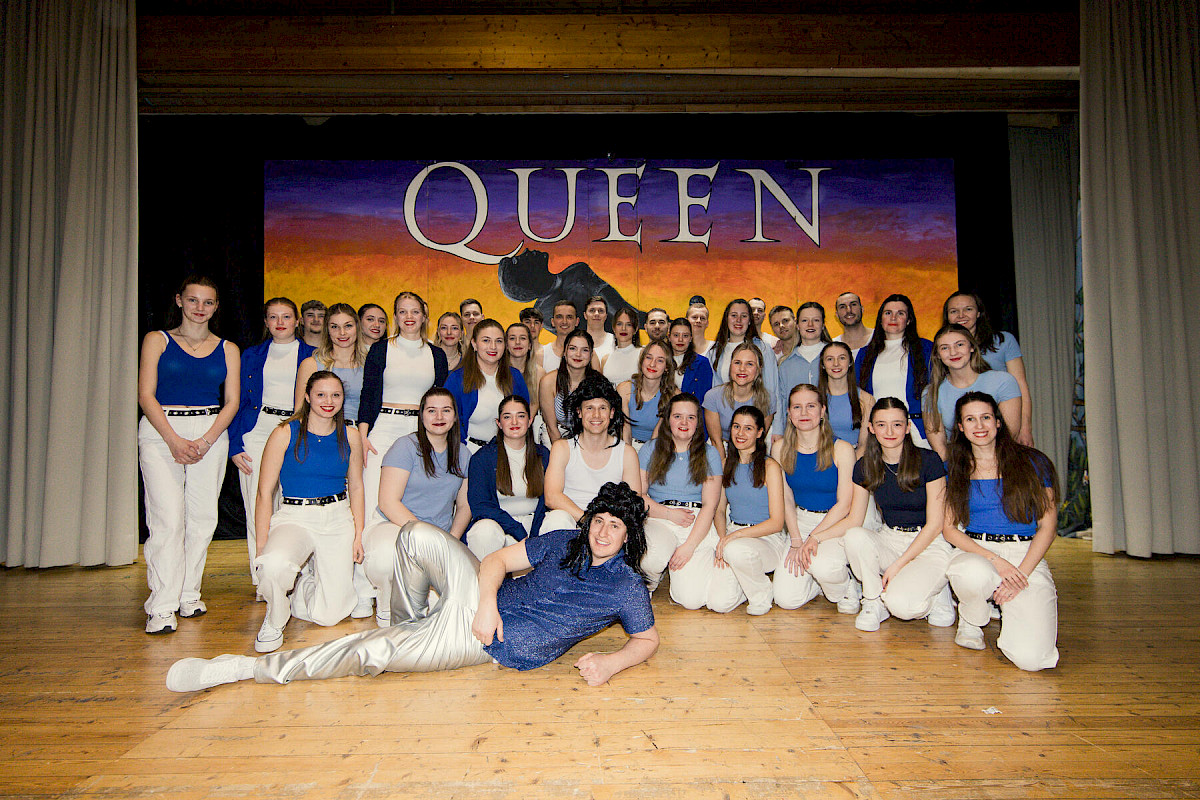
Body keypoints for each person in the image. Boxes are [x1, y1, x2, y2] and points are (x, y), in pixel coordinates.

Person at [166, 482, 659, 692]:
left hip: (490, 642)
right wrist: (486, 603)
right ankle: (412, 628)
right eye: (600, 520)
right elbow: (494, 560)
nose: (603, 532)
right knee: (416, 533)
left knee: (369, 651)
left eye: (615, 526)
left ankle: (245, 670)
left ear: (628, 536)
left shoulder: (626, 586)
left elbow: (648, 638)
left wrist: (611, 664)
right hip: (480, 606)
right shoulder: (564, 540)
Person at [138, 276, 240, 634]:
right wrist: (173, 440)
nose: (200, 308)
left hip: (209, 432)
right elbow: (146, 395)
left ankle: (188, 594)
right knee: (167, 519)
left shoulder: (228, 348)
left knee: (202, 518)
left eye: (208, 302)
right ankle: (161, 606)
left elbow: (232, 402)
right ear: (179, 300)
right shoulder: (157, 340)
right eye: (193, 300)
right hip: (161, 431)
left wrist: (207, 440)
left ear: (216, 307)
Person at [942, 392, 1060, 671]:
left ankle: (1007, 610)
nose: (979, 425)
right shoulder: (953, 468)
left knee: (1032, 659)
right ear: (960, 427)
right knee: (970, 574)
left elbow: (1048, 526)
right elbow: (949, 529)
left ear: (997, 422)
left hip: (1025, 554)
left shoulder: (1033, 462)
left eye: (985, 417)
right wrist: (995, 560)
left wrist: (1020, 576)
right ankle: (972, 617)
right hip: (978, 550)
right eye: (970, 419)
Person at [251, 371, 365, 653]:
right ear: (307, 397)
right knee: (272, 566)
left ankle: (304, 585)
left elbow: (357, 487)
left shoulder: (350, 435)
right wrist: (262, 545)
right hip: (295, 516)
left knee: (330, 615)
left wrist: (358, 534)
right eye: (321, 394)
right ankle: (275, 618)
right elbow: (264, 493)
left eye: (336, 395)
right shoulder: (284, 433)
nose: (328, 401)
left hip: (337, 517)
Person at [842, 398, 955, 632]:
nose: (890, 432)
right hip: (891, 538)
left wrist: (897, 565)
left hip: (930, 543)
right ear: (871, 428)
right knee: (854, 536)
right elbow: (854, 519)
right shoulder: (864, 466)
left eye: (897, 424)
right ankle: (872, 600)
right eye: (881, 425)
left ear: (908, 427)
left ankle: (937, 592)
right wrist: (813, 538)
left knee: (902, 607)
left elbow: (935, 524)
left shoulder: (929, 461)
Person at [362, 387, 471, 627]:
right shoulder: (405, 446)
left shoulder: (463, 454)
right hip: (394, 526)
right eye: (431, 411)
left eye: (446, 411)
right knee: (384, 559)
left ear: (455, 417)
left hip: (439, 535)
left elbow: (464, 506)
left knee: (446, 612)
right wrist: (425, 537)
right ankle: (386, 604)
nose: (439, 417)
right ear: (421, 416)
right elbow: (388, 502)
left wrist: (451, 542)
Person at [228, 297, 315, 588]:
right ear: (265, 322)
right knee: (258, 505)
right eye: (273, 317)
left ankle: (298, 577)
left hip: (296, 430)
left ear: (297, 321)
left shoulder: (313, 355)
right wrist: (235, 445)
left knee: (295, 505)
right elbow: (238, 401)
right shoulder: (251, 355)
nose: (280, 322)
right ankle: (263, 578)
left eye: (286, 316)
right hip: (257, 430)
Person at [357, 291, 449, 545]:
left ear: (424, 316)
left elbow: (441, 400)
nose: (409, 317)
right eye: (403, 311)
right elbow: (368, 394)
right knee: (374, 498)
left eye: (415, 311)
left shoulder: (437, 355)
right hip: (384, 427)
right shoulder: (380, 349)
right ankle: (366, 562)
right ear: (395, 317)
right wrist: (363, 435)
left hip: (422, 431)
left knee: (416, 499)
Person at [770, 385, 860, 612]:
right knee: (786, 600)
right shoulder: (780, 449)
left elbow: (845, 504)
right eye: (797, 407)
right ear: (789, 413)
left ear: (822, 411)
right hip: (800, 521)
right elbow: (786, 499)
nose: (804, 413)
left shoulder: (842, 449)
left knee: (822, 566)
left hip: (835, 524)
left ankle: (846, 585)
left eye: (811, 406)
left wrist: (814, 537)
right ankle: (818, 584)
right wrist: (796, 540)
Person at [639, 393, 723, 606]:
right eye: (677, 416)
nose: (684, 422)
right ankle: (649, 582)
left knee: (691, 600)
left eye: (690, 417)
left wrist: (689, 546)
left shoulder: (710, 454)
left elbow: (710, 505)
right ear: (668, 419)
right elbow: (638, 496)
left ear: (698, 422)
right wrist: (668, 514)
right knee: (652, 558)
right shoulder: (650, 449)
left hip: (696, 522)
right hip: (658, 516)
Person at [708, 406, 786, 615]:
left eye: (748, 428)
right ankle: (746, 584)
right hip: (734, 536)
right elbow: (719, 510)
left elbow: (777, 522)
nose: (740, 433)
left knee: (736, 550)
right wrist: (723, 539)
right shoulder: (725, 464)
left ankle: (762, 595)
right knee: (718, 604)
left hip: (767, 539)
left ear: (760, 433)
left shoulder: (770, 467)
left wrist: (734, 538)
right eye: (736, 427)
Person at [543, 375, 642, 535]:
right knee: (556, 519)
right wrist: (587, 520)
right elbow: (551, 497)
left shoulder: (627, 453)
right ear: (579, 412)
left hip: (609, 528)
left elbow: (633, 503)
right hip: (571, 520)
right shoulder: (562, 448)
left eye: (602, 408)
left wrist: (601, 525)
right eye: (589, 408)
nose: (596, 415)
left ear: (611, 413)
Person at [464, 395, 550, 560]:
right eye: (507, 417)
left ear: (530, 421)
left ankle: (555, 576)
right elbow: (481, 506)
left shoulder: (543, 455)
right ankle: (486, 576)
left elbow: (548, 500)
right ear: (499, 423)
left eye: (521, 416)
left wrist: (532, 537)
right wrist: (517, 530)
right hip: (501, 529)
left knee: (560, 518)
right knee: (484, 529)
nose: (514, 422)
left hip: (535, 527)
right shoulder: (482, 458)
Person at [943, 291, 1034, 446]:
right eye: (954, 311)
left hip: (1001, 427)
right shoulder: (943, 349)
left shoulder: (1003, 341)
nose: (961, 315)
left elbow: (1020, 384)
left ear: (979, 313)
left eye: (968, 309)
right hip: (962, 434)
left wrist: (1025, 428)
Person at [924, 324, 1022, 461]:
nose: (953, 352)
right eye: (945, 348)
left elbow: (1009, 435)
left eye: (959, 345)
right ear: (937, 354)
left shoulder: (1003, 381)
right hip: (958, 463)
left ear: (972, 347)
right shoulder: (931, 393)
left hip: (1001, 460)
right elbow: (940, 449)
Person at [854, 294, 934, 447]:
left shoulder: (925, 349)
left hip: (916, 431)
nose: (893, 318)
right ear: (880, 319)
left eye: (900, 313)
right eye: (888, 313)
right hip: (878, 433)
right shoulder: (864, 354)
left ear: (909, 320)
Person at [445, 318, 529, 453]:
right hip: (469, 452)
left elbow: (524, 417)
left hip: (508, 452)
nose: (493, 347)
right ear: (474, 344)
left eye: (499, 341)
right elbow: (449, 421)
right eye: (486, 340)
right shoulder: (457, 379)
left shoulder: (515, 377)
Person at [707, 299, 782, 424]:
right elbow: (715, 394)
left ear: (750, 320)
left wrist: (777, 429)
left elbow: (773, 391)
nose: (738, 320)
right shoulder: (715, 352)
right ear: (726, 319)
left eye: (744, 316)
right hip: (725, 424)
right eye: (734, 315)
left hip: (757, 422)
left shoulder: (763, 349)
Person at [295, 303, 368, 426]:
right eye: (334, 327)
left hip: (362, 432)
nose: (342, 333)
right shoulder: (311, 364)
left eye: (348, 326)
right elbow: (300, 413)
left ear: (357, 327)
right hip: (321, 431)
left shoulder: (370, 364)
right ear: (327, 330)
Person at [703, 341, 775, 450]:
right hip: (721, 449)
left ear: (759, 369)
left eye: (749, 364)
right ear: (730, 366)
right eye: (737, 363)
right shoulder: (713, 397)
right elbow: (716, 441)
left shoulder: (768, 399)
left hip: (752, 449)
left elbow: (758, 440)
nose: (742, 369)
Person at [538, 329, 599, 443]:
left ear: (591, 355)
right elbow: (552, 428)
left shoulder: (598, 383)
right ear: (564, 352)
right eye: (572, 348)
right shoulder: (548, 381)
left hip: (589, 436)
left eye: (584, 350)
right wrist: (563, 451)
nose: (578, 354)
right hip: (556, 435)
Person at [617, 339, 675, 451]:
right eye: (648, 357)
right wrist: (629, 456)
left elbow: (657, 435)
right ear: (642, 361)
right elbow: (625, 429)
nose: (652, 364)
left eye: (660, 360)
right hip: (628, 446)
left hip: (658, 448)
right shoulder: (624, 389)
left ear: (667, 367)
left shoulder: (673, 396)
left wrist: (646, 456)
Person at [818, 342, 872, 455]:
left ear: (850, 362)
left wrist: (849, 463)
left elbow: (863, 446)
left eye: (842, 358)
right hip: (820, 458)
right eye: (830, 359)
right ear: (822, 364)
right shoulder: (814, 398)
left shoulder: (866, 400)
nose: (836, 364)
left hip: (854, 458)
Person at [778, 301, 834, 404]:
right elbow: (782, 403)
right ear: (797, 325)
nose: (810, 324)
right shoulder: (785, 364)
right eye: (804, 320)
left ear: (823, 325)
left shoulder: (836, 358)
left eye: (816, 320)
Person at [505, 322, 545, 444]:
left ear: (530, 345)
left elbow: (534, 405)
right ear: (506, 345)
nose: (517, 342)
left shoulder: (539, 373)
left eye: (522, 338)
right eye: (512, 338)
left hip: (528, 431)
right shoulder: (497, 372)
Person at [668, 317, 715, 399]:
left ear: (691, 338)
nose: (680, 339)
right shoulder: (660, 360)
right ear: (669, 337)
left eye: (685, 336)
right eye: (676, 335)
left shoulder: (701, 363)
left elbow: (703, 397)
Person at [601, 306, 643, 384]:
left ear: (635, 329)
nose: (623, 328)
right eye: (619, 324)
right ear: (614, 328)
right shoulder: (605, 360)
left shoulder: (642, 354)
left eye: (629, 324)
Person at [541, 299, 579, 374]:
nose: (564, 322)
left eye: (569, 317)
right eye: (559, 317)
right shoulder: (541, 355)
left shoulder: (588, 354)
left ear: (577, 322)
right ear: (552, 322)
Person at [583, 295, 616, 364]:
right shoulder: (575, 341)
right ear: (585, 315)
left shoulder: (615, 341)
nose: (596, 314)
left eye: (601, 311)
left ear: (606, 316)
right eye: (592, 310)